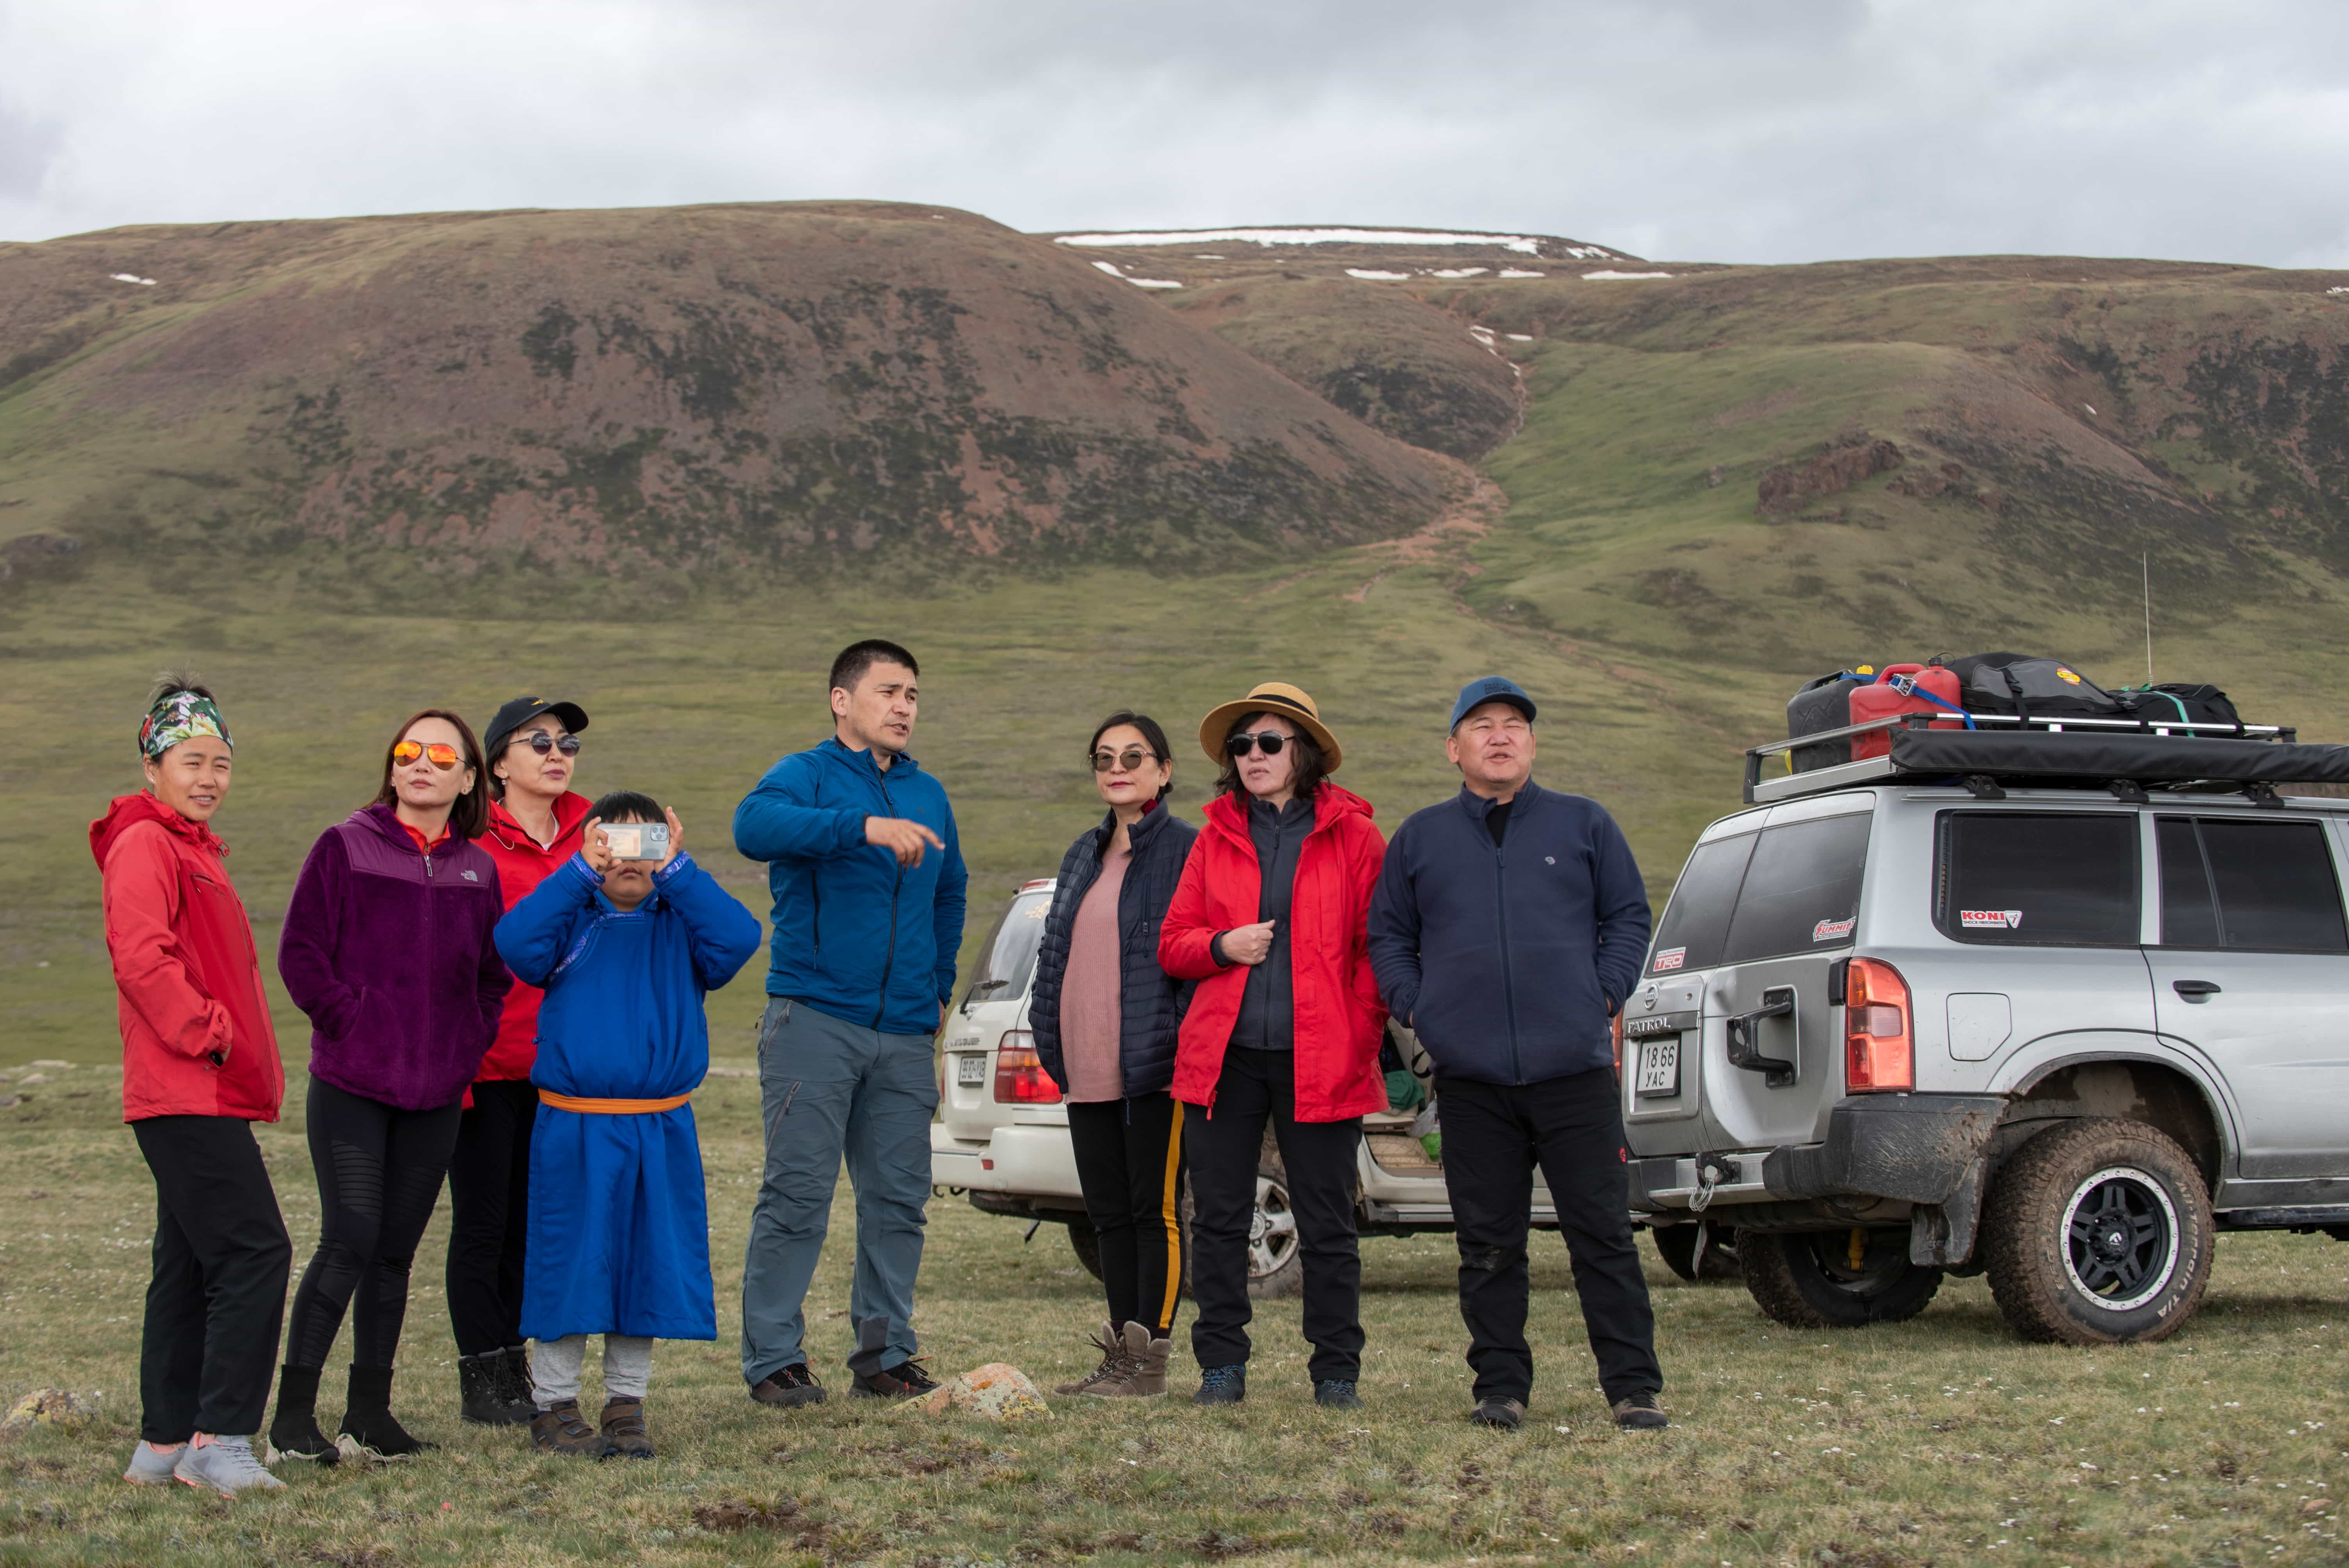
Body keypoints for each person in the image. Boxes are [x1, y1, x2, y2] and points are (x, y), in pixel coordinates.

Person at [1366, 676, 1666, 1433]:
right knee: (1487, 1242)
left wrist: (1599, 994)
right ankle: (1499, 1387)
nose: (1498, 736)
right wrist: (1419, 1006)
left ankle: (1632, 1388)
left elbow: (1627, 916)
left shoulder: (1584, 824)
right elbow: (1387, 938)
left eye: (1513, 725)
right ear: (1452, 748)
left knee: (1600, 1234)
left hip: (1572, 1072)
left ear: (1531, 743)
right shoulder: (1420, 838)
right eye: (1480, 725)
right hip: (1471, 1082)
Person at [269, 709, 511, 1464]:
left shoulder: (477, 867)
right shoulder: (345, 846)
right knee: (349, 1238)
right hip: (353, 1081)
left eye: (442, 755)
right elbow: (301, 955)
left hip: (438, 1092)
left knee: (396, 1254)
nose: (422, 764)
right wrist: (354, 1022)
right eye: (409, 751)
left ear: (469, 777)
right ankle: (292, 1420)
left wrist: (466, 1042)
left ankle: (369, 1415)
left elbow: (490, 979)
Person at [734, 639, 969, 1408]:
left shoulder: (930, 792)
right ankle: (775, 1359)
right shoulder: (801, 775)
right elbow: (754, 827)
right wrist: (860, 828)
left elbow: (949, 892)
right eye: (889, 690)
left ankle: (886, 1354)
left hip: (904, 1032)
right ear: (842, 700)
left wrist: (936, 987)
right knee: (798, 1194)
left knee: (899, 1198)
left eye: (913, 694)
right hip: (814, 1017)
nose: (904, 706)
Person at [495, 791, 761, 1458]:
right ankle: (553, 1406)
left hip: (659, 1123)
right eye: (615, 840)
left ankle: (626, 1402)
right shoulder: (571, 917)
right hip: (575, 1123)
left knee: (646, 1262)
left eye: (650, 842)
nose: (631, 856)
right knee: (570, 1262)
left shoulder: (681, 920)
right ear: (591, 844)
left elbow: (739, 940)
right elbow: (515, 945)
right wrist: (578, 874)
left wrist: (680, 871)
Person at [1158, 682, 1388, 1409]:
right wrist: (1223, 944)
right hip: (1224, 1058)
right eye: (1241, 745)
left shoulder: (1357, 837)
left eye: (1268, 743)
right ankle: (1222, 1368)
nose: (1251, 756)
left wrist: (1357, 1027)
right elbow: (1173, 945)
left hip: (1322, 1055)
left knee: (1327, 1220)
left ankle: (1336, 1373)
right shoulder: (1213, 838)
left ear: (1304, 751)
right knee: (1219, 1219)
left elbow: (1376, 951)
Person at [93, 678, 292, 1497]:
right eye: (191, 761)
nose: (208, 777)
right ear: (153, 765)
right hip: (185, 1085)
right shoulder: (146, 843)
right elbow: (141, 956)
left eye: (220, 763)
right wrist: (207, 1033)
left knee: (186, 1263)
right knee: (256, 1249)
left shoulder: (189, 846)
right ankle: (223, 1440)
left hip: (193, 1086)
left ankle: (165, 1443)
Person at [1028, 711, 1198, 1397]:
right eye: (1104, 758)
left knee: (1152, 1211)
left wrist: (1179, 1041)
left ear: (1162, 770)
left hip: (1153, 1068)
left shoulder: (1188, 849)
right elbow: (1056, 955)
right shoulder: (1082, 853)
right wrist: (1053, 1044)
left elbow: (1195, 955)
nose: (1117, 768)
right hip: (1086, 1067)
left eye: (1134, 756)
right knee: (1107, 1216)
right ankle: (1120, 1357)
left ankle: (1148, 1361)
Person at [448, 695, 593, 1427]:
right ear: (497, 762)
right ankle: (488, 1379)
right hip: (485, 1061)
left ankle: (528, 1373)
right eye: (538, 742)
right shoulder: (467, 842)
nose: (557, 753)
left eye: (566, 742)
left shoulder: (598, 836)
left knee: (539, 1229)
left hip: (566, 1068)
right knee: (483, 1225)